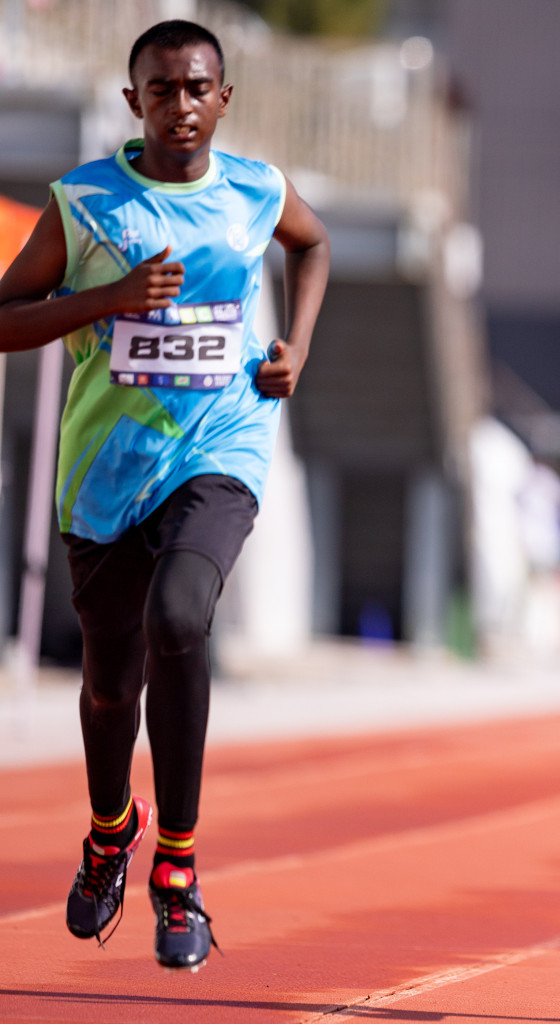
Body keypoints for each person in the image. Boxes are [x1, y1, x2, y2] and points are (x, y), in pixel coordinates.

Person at [0, 20, 329, 971]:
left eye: (196, 88)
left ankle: (177, 871)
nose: (179, 106)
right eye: (160, 90)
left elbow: (313, 246)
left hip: (220, 445)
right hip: (105, 471)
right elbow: (5, 319)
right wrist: (111, 299)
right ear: (131, 101)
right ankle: (112, 829)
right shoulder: (89, 202)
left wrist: (295, 346)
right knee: (110, 683)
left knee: (182, 617)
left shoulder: (257, 192)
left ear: (223, 98)